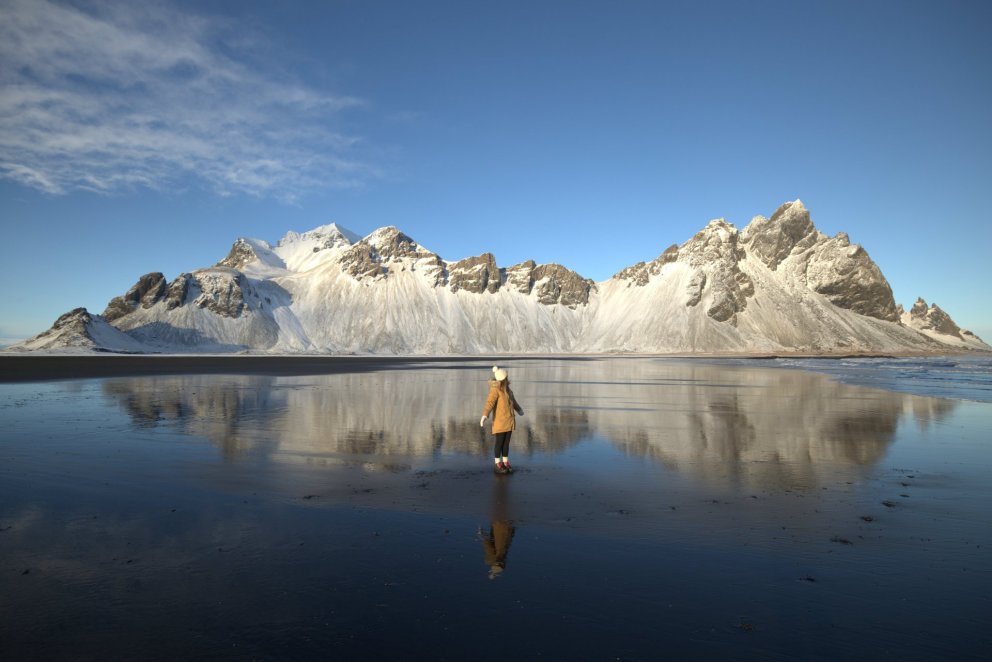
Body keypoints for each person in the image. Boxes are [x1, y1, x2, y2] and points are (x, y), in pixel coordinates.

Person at [480, 365, 524, 474]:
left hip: (509, 420)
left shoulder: (508, 390)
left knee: (506, 443)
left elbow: (513, 402)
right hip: (500, 422)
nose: (507, 379)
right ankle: (497, 463)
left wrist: (519, 409)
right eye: (506, 377)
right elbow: (489, 403)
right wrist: (485, 415)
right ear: (502, 379)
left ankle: (505, 462)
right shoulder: (495, 390)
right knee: (499, 443)